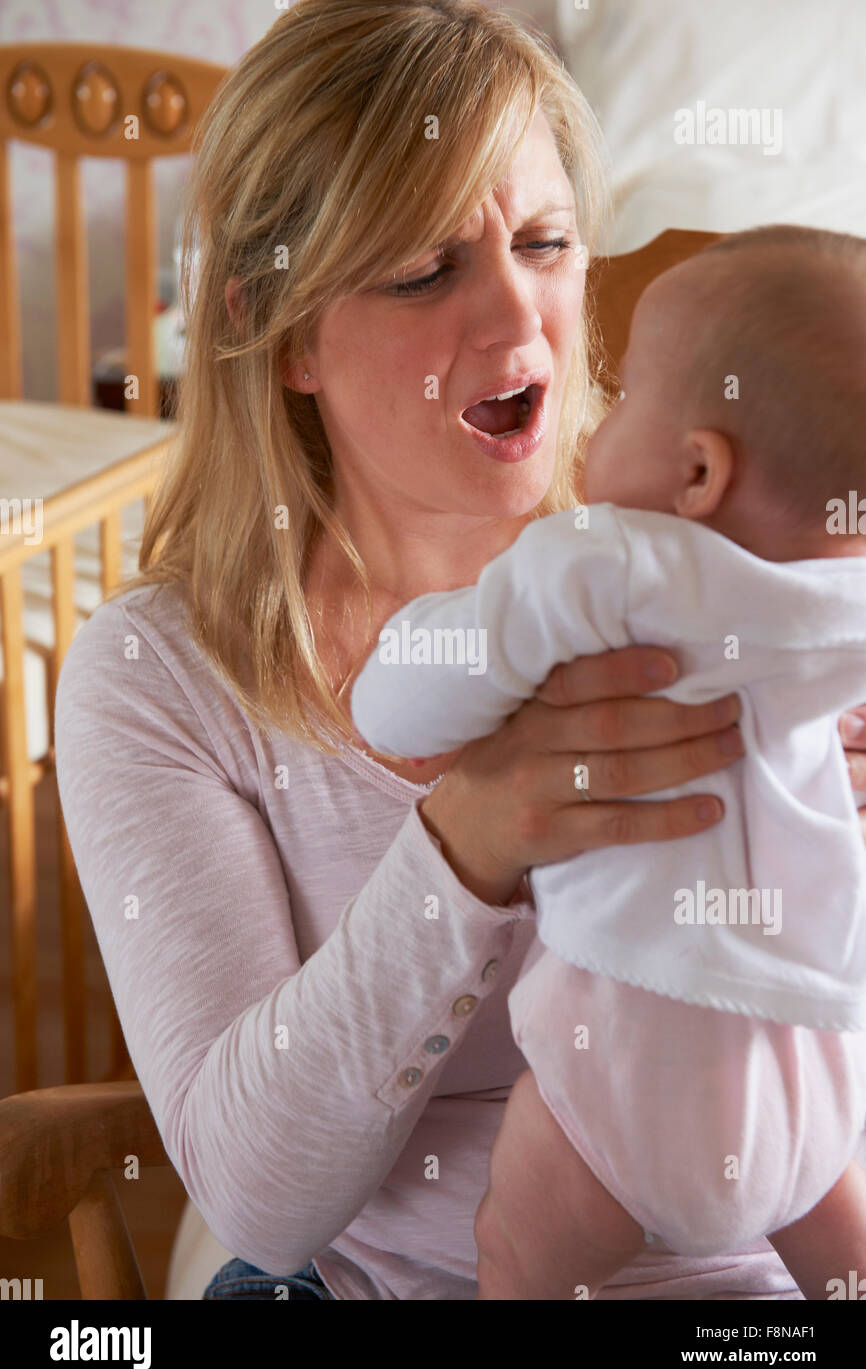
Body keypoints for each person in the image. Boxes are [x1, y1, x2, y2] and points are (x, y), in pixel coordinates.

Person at [52, 0, 866, 1301]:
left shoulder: (745, 567)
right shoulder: (156, 680)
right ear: (286, 330)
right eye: (424, 270)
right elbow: (260, 1196)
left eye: (543, 242)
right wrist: (469, 842)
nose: (520, 321)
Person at [351, 223, 866, 1299]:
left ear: (694, 470)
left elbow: (408, 698)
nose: (601, 410)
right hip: (809, 1074)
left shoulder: (605, 564)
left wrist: (396, 683)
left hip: (624, 1059)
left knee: (521, 1258)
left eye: (628, 397)